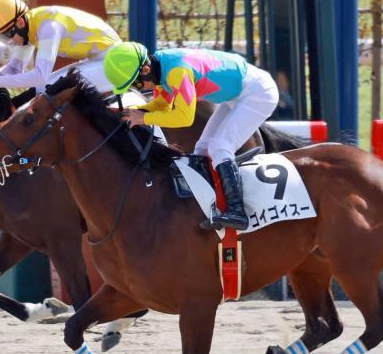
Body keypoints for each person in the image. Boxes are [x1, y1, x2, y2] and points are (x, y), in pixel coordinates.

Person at [103, 42, 279, 231]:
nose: (140, 88)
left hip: (257, 92)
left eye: (137, 83)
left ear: (145, 69)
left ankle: (237, 210)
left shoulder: (176, 72)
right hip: (236, 96)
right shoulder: (159, 67)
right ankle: (213, 205)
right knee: (202, 149)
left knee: (220, 146)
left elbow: (184, 117)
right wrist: (129, 112)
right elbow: (161, 105)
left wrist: (143, 117)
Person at [0, 0, 121, 94]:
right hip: (97, 59)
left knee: (47, 88)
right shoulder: (28, 28)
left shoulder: (48, 27)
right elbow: (14, 69)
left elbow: (40, 76)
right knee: (43, 89)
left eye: (7, 35)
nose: (9, 42)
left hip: (114, 63)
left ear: (19, 22)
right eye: (2, 38)